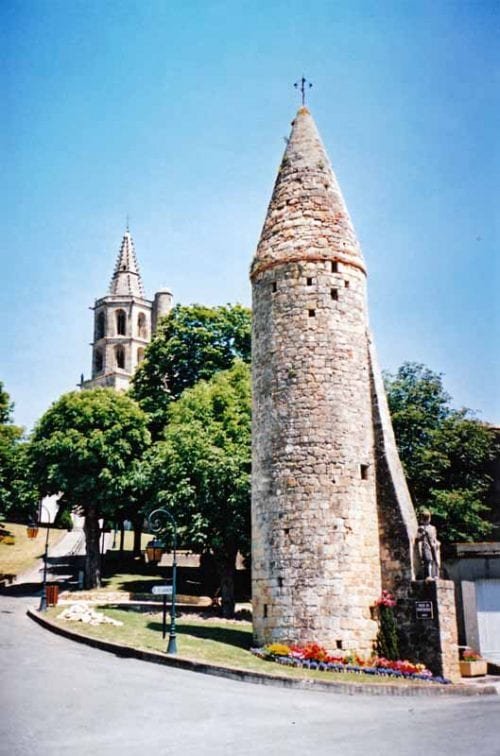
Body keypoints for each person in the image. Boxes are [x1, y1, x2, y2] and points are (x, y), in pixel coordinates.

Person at [416, 509, 440, 580]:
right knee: (428, 560)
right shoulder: (421, 528)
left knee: (436, 561)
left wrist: (437, 543)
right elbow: (418, 538)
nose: (427, 520)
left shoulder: (433, 528)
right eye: (425, 518)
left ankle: (436, 575)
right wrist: (422, 535)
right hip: (426, 545)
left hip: (434, 546)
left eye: (428, 518)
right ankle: (429, 575)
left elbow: (434, 537)